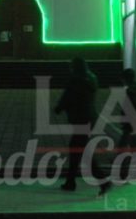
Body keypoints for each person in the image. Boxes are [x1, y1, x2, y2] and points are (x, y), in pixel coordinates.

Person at [54, 57, 103, 192]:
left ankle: (102, 180)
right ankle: (71, 181)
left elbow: (68, 97)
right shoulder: (92, 78)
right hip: (89, 118)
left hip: (80, 119)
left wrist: (59, 108)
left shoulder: (76, 80)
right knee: (77, 149)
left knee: (80, 150)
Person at [97, 67, 136, 195]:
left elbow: (128, 108)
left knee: (123, 149)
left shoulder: (130, 91)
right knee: (134, 149)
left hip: (130, 124)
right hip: (135, 123)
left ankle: (123, 173)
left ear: (126, 79)